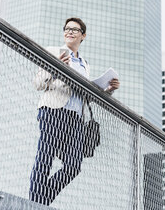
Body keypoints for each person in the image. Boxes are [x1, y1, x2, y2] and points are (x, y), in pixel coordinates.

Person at [30, 17, 119, 205]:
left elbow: (87, 96)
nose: (70, 32)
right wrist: (55, 68)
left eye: (75, 30)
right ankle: (34, 203)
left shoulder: (84, 64)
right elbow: (38, 83)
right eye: (67, 29)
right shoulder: (53, 52)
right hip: (54, 111)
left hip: (76, 119)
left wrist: (108, 90)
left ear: (83, 36)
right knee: (45, 157)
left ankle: (42, 200)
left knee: (73, 165)